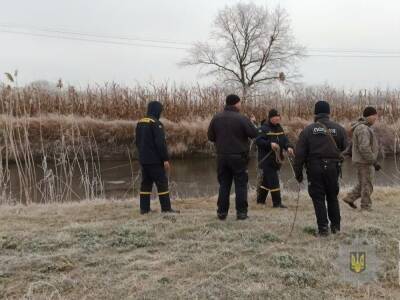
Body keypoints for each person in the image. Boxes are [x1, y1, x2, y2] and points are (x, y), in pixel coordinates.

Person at [294, 101, 347, 236]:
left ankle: (323, 229)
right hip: (333, 169)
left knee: (318, 198)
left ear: (315, 113)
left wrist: (298, 173)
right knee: (332, 197)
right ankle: (336, 228)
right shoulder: (339, 129)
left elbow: (299, 155)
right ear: (329, 113)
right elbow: (346, 149)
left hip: (314, 168)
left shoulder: (307, 130)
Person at [208, 94, 258, 220]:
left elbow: (210, 136)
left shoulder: (216, 117)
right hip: (239, 157)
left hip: (222, 157)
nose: (241, 105)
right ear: (236, 103)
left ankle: (221, 213)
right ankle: (241, 213)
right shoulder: (242, 118)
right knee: (241, 185)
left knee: (224, 185)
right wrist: (252, 123)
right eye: (240, 103)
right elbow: (254, 134)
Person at [135, 101, 179, 214]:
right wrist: (165, 159)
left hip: (143, 160)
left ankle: (144, 209)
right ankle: (166, 209)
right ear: (157, 110)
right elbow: (160, 143)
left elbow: (137, 142)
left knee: (146, 184)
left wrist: (141, 155)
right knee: (162, 183)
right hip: (154, 161)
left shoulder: (140, 122)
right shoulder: (156, 124)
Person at [343, 107, 379, 211]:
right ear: (370, 116)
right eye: (375, 116)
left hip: (362, 161)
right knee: (367, 185)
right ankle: (366, 207)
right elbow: (364, 148)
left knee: (364, 183)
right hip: (365, 162)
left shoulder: (363, 127)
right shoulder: (363, 128)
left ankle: (350, 198)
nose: (376, 118)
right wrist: (374, 161)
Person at [255, 109, 294, 208]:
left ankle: (260, 201)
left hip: (276, 160)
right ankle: (277, 203)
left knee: (267, 182)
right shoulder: (263, 128)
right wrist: (270, 144)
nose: (277, 118)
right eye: (275, 117)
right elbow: (258, 141)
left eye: (278, 117)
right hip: (266, 160)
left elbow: (285, 140)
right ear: (270, 118)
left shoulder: (279, 128)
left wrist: (289, 147)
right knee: (274, 180)